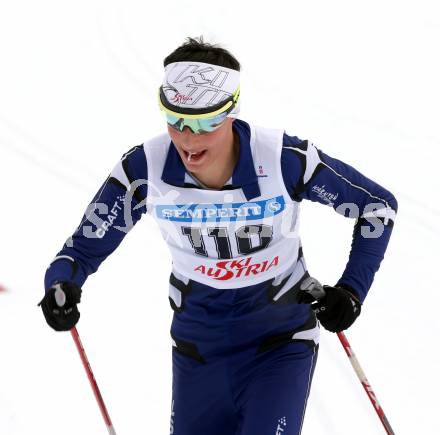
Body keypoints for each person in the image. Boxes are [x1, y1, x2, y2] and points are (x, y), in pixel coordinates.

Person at [40, 37, 397, 434]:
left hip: (279, 341)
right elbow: (79, 252)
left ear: (231, 111)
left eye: (206, 122)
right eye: (175, 120)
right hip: (198, 350)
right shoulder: (146, 168)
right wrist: (61, 286)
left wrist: (350, 292)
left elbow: (376, 207)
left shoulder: (281, 159)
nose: (189, 140)